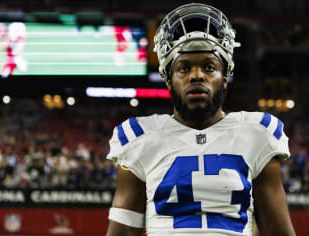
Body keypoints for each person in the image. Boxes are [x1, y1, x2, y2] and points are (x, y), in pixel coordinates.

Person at [106, 3, 295, 236]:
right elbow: (122, 232)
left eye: (209, 67)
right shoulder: (140, 138)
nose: (197, 76)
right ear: (169, 80)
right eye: (184, 68)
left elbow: (278, 231)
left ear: (224, 77)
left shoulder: (257, 134)